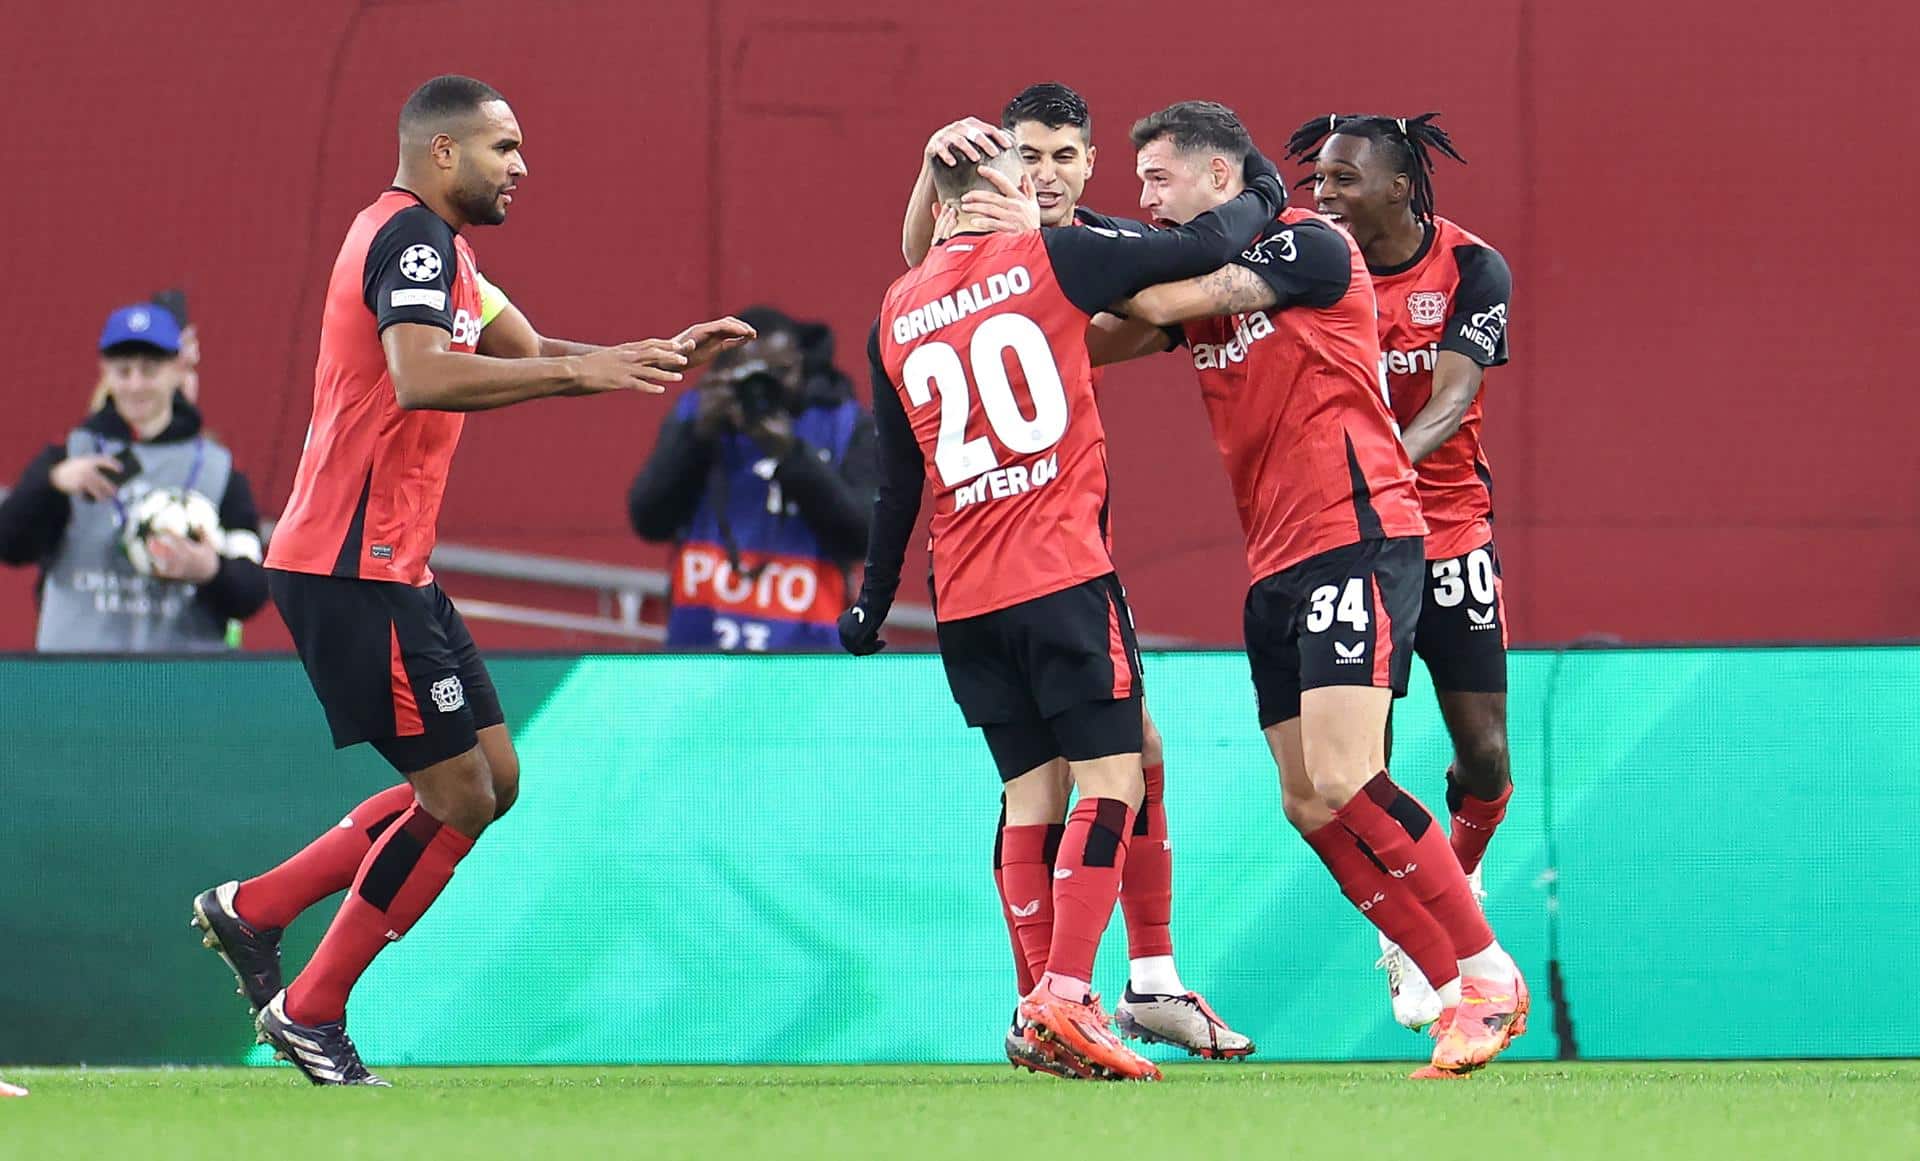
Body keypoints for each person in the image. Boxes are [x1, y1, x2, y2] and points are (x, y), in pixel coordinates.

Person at [186, 74, 751, 1086]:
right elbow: (421, 374)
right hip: (350, 565)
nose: (522, 166)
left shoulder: (445, 252)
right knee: (453, 795)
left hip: (391, 563)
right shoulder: (412, 242)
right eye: (505, 147)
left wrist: (646, 355)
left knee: (495, 779)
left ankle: (257, 907)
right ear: (442, 151)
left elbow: (529, 353)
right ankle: (310, 1010)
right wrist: (587, 374)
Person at [1064, 100, 1525, 1078]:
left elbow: (1151, 304)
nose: (1144, 197)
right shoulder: (1208, 274)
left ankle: (1487, 972)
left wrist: (1076, 235)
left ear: (1220, 181)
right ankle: (1450, 984)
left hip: (1358, 531)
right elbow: (1101, 341)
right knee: (1309, 800)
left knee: (1352, 773)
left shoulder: (1307, 247)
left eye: (1159, 178)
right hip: (1276, 556)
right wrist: (1025, 283)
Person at [842, 124, 1286, 1080]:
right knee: (1113, 782)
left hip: (962, 594)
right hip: (1061, 573)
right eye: (1023, 171)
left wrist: (871, 604)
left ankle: (1038, 1006)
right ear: (996, 188)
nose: (1040, 186)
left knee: (1029, 794)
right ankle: (1071, 995)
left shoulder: (894, 305)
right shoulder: (1053, 253)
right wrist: (1264, 192)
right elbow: (1208, 247)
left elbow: (894, 479)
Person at [1286, 112, 1516, 1033]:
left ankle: (1457, 881)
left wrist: (1380, 471)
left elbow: (1456, 396)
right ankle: (1419, 944)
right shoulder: (1307, 265)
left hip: (1450, 531)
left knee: (1488, 759)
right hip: (1351, 543)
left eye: (1343, 178)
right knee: (1355, 770)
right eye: (1317, 180)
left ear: (1398, 187)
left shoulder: (1471, 267)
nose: (1324, 193)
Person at [0, 302, 268, 651]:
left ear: (178, 369)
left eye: (150, 369)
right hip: (77, 678)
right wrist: (52, 484)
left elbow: (252, 591)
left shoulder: (219, 470)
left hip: (180, 680)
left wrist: (211, 571)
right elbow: (10, 545)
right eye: (123, 371)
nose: (136, 385)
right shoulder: (69, 456)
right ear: (105, 372)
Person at [628, 306, 874, 651]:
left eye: (780, 372)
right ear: (724, 372)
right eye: (751, 375)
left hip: (809, 658)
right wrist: (695, 437)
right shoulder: (696, 415)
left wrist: (792, 456)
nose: (765, 387)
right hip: (699, 651)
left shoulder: (843, 424)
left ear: (802, 365)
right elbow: (648, 520)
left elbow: (863, 537)